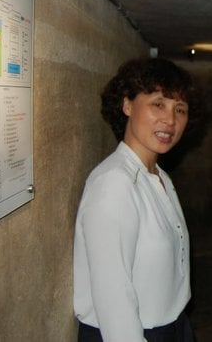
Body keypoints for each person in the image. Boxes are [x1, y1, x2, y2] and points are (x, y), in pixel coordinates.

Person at [73, 57, 201, 342]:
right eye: (158, 104)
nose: (170, 120)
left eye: (180, 109)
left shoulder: (158, 177)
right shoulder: (114, 184)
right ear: (127, 104)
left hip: (173, 328)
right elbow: (113, 296)